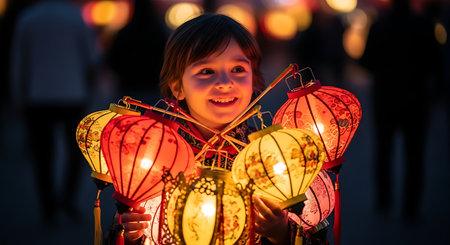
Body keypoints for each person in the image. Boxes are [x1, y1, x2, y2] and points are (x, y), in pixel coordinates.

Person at [105, 14, 328, 245]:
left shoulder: (274, 156)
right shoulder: (154, 156)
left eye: (238, 69)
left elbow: (314, 233)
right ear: (178, 87)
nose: (224, 82)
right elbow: (120, 232)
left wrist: (280, 233)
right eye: (206, 71)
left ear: (253, 80)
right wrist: (131, 233)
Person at [10, 0, 99, 223]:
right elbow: (91, 58)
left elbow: (18, 60)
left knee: (43, 155)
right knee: (75, 152)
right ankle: (68, 201)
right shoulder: (74, 17)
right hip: (72, 92)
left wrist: (18, 95)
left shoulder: (28, 18)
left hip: (38, 95)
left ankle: (48, 208)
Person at [360, 0, 441, 220]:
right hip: (416, 99)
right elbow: (436, 62)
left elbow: (365, 61)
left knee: (383, 151)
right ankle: (411, 208)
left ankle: (384, 202)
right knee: (415, 155)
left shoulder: (379, 25)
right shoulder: (424, 24)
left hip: (385, 98)